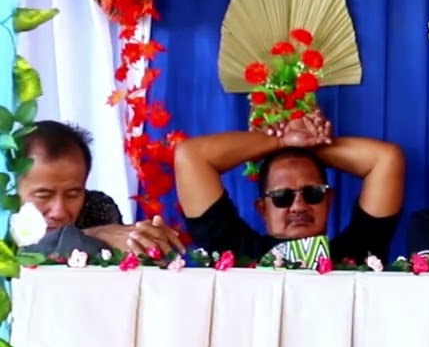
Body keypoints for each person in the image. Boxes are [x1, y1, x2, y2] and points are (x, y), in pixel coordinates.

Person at [174, 110, 404, 262]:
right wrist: (281, 142)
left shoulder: (356, 254)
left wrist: (309, 144)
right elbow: (191, 156)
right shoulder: (234, 252)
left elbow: (386, 159)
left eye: (312, 193)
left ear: (329, 198)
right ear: (262, 207)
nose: (298, 205)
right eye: (282, 196)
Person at [18, 120, 184, 256]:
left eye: (72, 195)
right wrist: (93, 236)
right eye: (43, 195)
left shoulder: (97, 208)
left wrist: (147, 242)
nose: (59, 212)